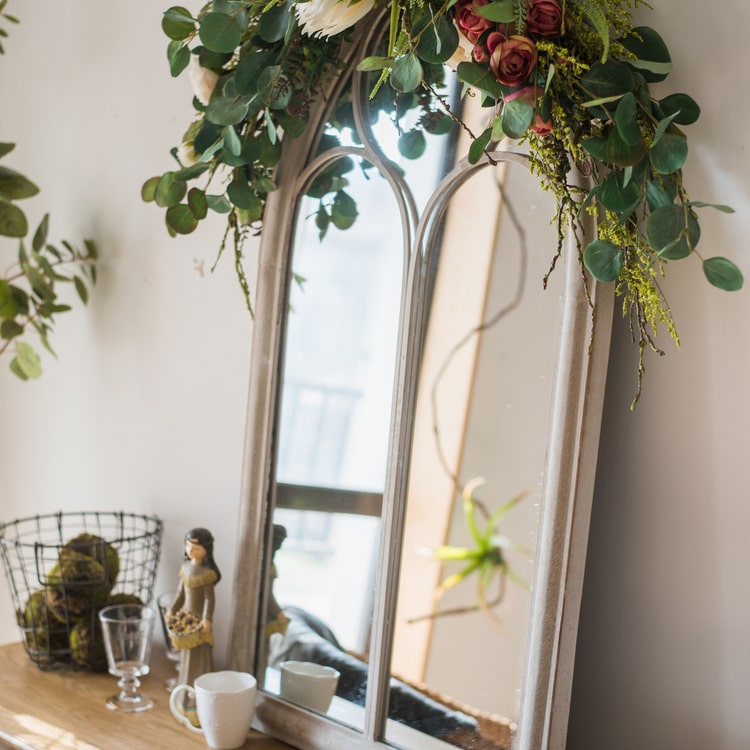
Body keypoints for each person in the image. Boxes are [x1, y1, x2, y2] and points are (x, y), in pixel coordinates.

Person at [168, 527, 221, 712]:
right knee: (186, 659)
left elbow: (209, 598)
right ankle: (184, 697)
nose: (191, 551)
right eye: (189, 546)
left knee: (200, 658)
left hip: (198, 623)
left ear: (206, 550)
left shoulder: (206, 574)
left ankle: (200, 703)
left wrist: (207, 618)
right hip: (186, 619)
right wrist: (172, 610)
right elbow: (180, 594)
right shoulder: (185, 568)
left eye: (196, 548)